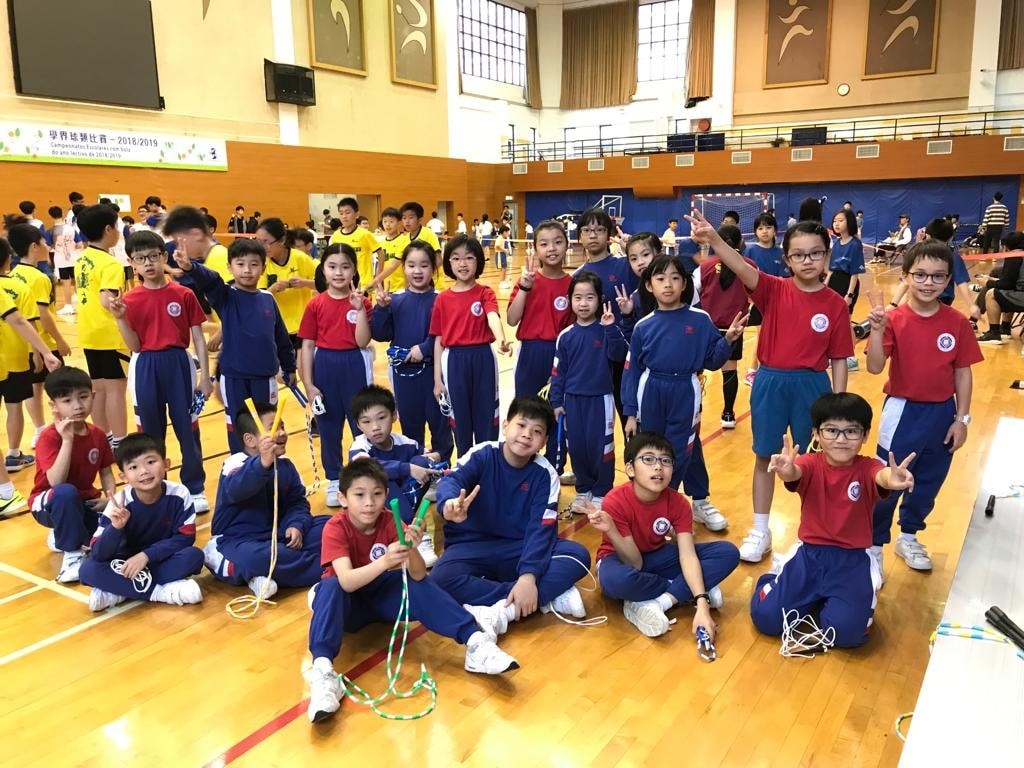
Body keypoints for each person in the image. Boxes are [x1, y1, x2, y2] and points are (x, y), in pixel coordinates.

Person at [687, 210, 854, 563]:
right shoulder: (773, 289)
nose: (807, 261)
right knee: (765, 456)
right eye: (798, 254)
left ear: (827, 255)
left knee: (815, 461)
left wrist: (839, 403)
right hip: (771, 383)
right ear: (787, 259)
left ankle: (812, 534)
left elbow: (839, 357)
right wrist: (714, 238)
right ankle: (760, 530)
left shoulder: (836, 305)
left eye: (815, 253)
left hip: (813, 386)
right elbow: (740, 266)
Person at [305, 458, 518, 724]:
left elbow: (417, 574)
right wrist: (385, 561)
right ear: (343, 498)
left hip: (379, 596)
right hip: (348, 604)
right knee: (331, 586)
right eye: (359, 495)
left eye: (377, 494)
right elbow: (346, 581)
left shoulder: (390, 520)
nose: (369, 503)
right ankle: (323, 672)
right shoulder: (335, 527)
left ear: (386, 495)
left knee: (417, 584)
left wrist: (412, 548)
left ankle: (475, 641)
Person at [750, 393, 915, 648]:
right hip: (809, 556)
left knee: (845, 635)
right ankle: (775, 580)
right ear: (816, 434)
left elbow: (880, 476)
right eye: (831, 430)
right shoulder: (809, 463)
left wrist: (891, 479)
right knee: (766, 618)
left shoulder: (868, 467)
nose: (841, 439)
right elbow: (795, 472)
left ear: (865, 435)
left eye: (852, 431)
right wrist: (786, 470)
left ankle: (829, 600)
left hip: (852, 561)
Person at [865, 241, 983, 576]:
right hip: (903, 412)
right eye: (920, 274)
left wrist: (962, 419)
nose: (928, 282)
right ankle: (874, 545)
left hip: (942, 413)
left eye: (937, 276)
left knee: (929, 480)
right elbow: (874, 367)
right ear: (905, 276)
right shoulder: (894, 319)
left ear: (948, 280)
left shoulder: (957, 322)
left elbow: (963, 373)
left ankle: (908, 536)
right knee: (889, 479)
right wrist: (876, 331)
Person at [431, 396, 592, 626]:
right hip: (472, 546)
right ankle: (540, 598)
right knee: (440, 579)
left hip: (519, 548)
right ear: (505, 426)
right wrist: (449, 503)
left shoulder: (545, 474)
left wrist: (528, 576)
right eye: (521, 425)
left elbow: (540, 530)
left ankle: (504, 610)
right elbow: (453, 480)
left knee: (578, 556)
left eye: (537, 431)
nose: (527, 434)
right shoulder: (483, 453)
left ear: (544, 441)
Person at [622, 253, 746, 520]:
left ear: (684, 284)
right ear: (649, 285)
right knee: (651, 448)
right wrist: (630, 412)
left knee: (681, 448)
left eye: (675, 278)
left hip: (685, 391)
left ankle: (674, 505)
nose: (668, 284)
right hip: (651, 390)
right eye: (660, 278)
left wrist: (728, 340)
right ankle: (653, 505)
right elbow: (632, 371)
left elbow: (712, 361)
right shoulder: (643, 326)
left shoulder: (700, 319)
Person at [589, 432, 740, 638]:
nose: (658, 467)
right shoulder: (615, 500)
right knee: (615, 581)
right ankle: (685, 588)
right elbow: (634, 563)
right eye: (648, 459)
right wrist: (611, 531)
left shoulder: (679, 503)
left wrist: (702, 606)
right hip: (620, 559)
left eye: (666, 461)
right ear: (630, 469)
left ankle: (662, 601)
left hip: (657, 556)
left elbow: (687, 555)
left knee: (727, 552)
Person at [107, 231, 212, 512]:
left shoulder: (183, 293)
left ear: (164, 256)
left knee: (188, 429)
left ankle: (195, 487)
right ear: (132, 263)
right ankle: (155, 488)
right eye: (140, 259)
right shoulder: (130, 300)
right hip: (145, 365)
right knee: (150, 433)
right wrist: (120, 319)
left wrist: (205, 377)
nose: (148, 263)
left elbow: (199, 338)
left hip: (179, 364)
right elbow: (134, 346)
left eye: (153, 256)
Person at [174, 237, 296, 453]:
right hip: (234, 379)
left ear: (263, 268)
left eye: (254, 264)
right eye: (240, 264)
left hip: (264, 378)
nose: (247, 270)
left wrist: (289, 367)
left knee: (268, 428)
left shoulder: (268, 299)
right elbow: (211, 280)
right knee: (238, 429)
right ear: (230, 267)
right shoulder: (225, 296)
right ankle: (239, 464)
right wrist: (191, 267)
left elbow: (282, 338)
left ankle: (269, 466)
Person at [204, 402, 326, 599]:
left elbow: (298, 504)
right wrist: (262, 463)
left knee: (331, 526)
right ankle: (328, 567)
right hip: (238, 541)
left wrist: (296, 525)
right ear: (250, 440)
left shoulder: (287, 466)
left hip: (278, 537)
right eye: (274, 427)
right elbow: (237, 489)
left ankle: (272, 570)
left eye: (282, 426)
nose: (282, 432)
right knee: (257, 558)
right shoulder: (234, 463)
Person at [79, 433, 205, 611]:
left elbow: (185, 538)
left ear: (166, 464)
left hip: (159, 559)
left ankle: (120, 590)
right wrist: (116, 528)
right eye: (133, 467)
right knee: (87, 569)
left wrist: (146, 556)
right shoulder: (118, 503)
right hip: (124, 565)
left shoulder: (180, 493)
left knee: (194, 556)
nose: (144, 471)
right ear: (123, 477)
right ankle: (160, 593)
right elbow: (98, 553)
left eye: (151, 462)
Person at [298, 243, 372, 508]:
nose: (339, 273)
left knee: (361, 424)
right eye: (332, 266)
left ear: (354, 270)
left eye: (345, 267)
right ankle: (333, 478)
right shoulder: (315, 304)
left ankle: (364, 475)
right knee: (328, 427)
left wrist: (360, 310)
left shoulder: (362, 302)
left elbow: (362, 341)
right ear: (323, 270)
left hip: (354, 364)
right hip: (325, 366)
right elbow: (307, 346)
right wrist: (308, 383)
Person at [29, 367, 117, 582]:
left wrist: (111, 501)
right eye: (67, 401)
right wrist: (67, 440)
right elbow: (56, 482)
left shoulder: (97, 434)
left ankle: (63, 533)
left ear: (92, 396)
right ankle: (72, 555)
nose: (77, 405)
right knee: (66, 492)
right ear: (54, 406)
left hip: (84, 502)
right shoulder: (49, 437)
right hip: (49, 501)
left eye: (83, 397)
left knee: (116, 536)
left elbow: (106, 472)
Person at [370, 240, 453, 465]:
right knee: (411, 428)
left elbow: (445, 333)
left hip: (434, 374)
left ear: (433, 268)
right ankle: (417, 471)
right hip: (404, 377)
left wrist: (424, 348)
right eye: (411, 265)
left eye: (424, 265)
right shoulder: (395, 299)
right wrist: (381, 309)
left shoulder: (441, 299)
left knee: (440, 425)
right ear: (403, 267)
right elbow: (380, 334)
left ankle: (442, 469)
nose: (417, 271)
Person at [549, 272, 626, 511]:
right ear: (570, 299)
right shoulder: (565, 336)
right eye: (578, 297)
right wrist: (556, 402)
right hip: (572, 402)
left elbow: (619, 354)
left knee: (602, 447)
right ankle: (583, 491)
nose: (583, 303)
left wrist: (611, 327)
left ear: (600, 300)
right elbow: (558, 372)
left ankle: (602, 491)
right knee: (577, 447)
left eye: (590, 297)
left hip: (600, 400)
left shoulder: (606, 330)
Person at [430, 234, 511, 454]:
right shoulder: (442, 299)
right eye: (456, 258)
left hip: (483, 358)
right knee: (460, 420)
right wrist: (437, 380)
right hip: (454, 362)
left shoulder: (485, 292)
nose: (462, 263)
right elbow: (438, 339)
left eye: (469, 257)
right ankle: (465, 465)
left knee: (487, 416)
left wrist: (501, 338)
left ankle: (488, 462)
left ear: (478, 261)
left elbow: (492, 316)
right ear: (448, 263)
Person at [347, 385, 442, 565]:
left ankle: (412, 532)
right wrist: (407, 468)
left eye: (381, 418)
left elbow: (430, 455)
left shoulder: (405, 442)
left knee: (421, 462)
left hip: (405, 498)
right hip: (374, 507)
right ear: (358, 425)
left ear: (394, 415)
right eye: (366, 422)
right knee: (379, 479)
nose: (375, 427)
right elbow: (366, 467)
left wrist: (432, 459)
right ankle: (406, 533)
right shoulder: (359, 446)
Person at [506, 220, 573, 468]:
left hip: (560, 355)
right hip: (530, 354)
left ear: (567, 245)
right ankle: (521, 466)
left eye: (557, 242)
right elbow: (511, 319)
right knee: (526, 412)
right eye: (544, 244)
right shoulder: (527, 281)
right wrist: (525, 287)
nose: (551, 248)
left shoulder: (573, 284)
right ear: (535, 249)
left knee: (557, 412)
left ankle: (554, 468)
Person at [7, 225, 72, 450]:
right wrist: (60, 340)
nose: (47, 246)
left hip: (22, 344)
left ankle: (39, 430)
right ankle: (63, 429)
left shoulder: (12, 274)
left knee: (33, 389)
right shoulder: (40, 278)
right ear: (34, 246)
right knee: (61, 388)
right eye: (44, 242)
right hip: (44, 344)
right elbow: (43, 315)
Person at [573, 208, 638, 428]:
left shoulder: (626, 265)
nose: (593, 235)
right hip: (594, 358)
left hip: (625, 356)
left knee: (631, 421)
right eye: (587, 230)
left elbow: (653, 275)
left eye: (599, 230)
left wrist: (632, 251)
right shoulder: (577, 277)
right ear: (579, 237)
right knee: (596, 424)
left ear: (608, 235)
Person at [74, 204, 130, 450]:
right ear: (108, 229)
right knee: (116, 390)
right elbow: (107, 299)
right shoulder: (111, 264)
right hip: (109, 335)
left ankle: (103, 437)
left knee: (98, 389)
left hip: (88, 332)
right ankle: (120, 441)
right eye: (116, 227)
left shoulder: (82, 258)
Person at [698, 225, 756, 429]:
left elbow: (693, 294)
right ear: (741, 242)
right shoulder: (749, 266)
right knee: (730, 371)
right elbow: (756, 292)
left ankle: (695, 409)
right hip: (734, 327)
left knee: (696, 370)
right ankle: (728, 414)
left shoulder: (705, 267)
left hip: (707, 327)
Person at [255, 218, 317, 353]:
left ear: (282, 240)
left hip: (303, 325)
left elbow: (323, 284)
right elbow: (258, 298)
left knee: (304, 364)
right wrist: (273, 289)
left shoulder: (300, 258)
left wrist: (304, 283)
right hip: (276, 327)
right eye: (258, 242)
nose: (262, 247)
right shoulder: (262, 262)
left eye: (266, 242)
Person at [743, 213, 788, 386]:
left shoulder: (780, 253)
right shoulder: (750, 251)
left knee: (776, 336)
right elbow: (744, 276)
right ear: (755, 231)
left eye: (768, 227)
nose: (764, 231)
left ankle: (770, 368)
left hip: (777, 300)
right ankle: (752, 370)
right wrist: (750, 297)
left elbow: (784, 278)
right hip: (757, 301)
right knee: (762, 334)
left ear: (775, 230)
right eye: (760, 228)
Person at [976, 231, 1024, 344]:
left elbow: (1007, 285)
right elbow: (1013, 282)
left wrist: (987, 283)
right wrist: (991, 280)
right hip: (1020, 292)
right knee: (1007, 292)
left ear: (1008, 246)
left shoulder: (1015, 255)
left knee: (992, 294)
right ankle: (1005, 329)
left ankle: (994, 333)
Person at [327, 198, 382, 291]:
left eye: (347, 212)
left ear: (357, 214)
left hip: (364, 284)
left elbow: (381, 254)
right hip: (344, 284)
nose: (344, 216)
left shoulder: (365, 234)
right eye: (341, 213)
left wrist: (378, 276)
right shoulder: (336, 236)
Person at [400, 202, 443, 287]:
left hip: (434, 284)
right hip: (415, 286)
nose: (407, 221)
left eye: (411, 218)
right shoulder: (404, 239)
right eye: (404, 218)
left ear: (419, 219)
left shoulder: (428, 234)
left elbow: (439, 259)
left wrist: (426, 275)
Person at [368, 207, 409, 292]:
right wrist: (379, 287)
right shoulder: (380, 244)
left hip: (402, 288)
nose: (387, 224)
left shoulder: (405, 240)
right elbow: (380, 267)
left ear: (399, 223)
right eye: (385, 221)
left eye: (391, 221)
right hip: (387, 290)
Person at [494, 224, 511, 289]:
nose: (508, 233)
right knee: (502, 269)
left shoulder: (503, 238)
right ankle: (501, 283)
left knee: (504, 269)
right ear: (503, 232)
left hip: (503, 255)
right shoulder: (499, 238)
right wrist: (504, 250)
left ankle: (503, 282)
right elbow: (497, 246)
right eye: (507, 232)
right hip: (499, 255)